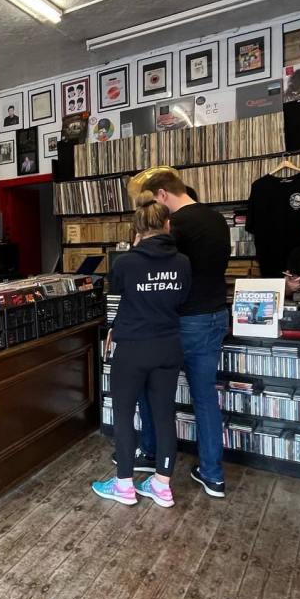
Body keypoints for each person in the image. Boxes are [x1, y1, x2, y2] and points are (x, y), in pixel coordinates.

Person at [135, 167, 231, 497]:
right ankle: (213, 474)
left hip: (179, 321)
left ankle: (151, 455)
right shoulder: (217, 219)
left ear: (162, 194)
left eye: (154, 200)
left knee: (153, 390)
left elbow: (149, 268)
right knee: (205, 398)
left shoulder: (174, 225)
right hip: (216, 315)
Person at [93, 192, 190, 507]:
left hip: (133, 347)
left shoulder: (126, 262)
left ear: (136, 230)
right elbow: (182, 299)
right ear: (167, 224)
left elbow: (117, 294)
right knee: (164, 414)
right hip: (169, 345)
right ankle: (162, 485)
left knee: (123, 413)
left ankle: (124, 486)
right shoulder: (183, 262)